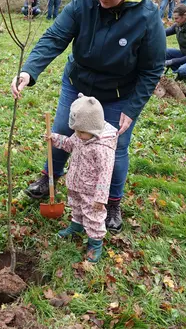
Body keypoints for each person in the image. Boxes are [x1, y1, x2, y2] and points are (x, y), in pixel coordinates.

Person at [11, 0, 165, 233]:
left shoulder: (147, 16)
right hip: (78, 86)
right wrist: (28, 71)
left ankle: (112, 203)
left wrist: (132, 109)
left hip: (119, 95)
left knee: (114, 148)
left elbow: (152, 68)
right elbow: (55, 36)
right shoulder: (84, 1)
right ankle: (49, 179)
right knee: (62, 130)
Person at [52, 94, 117, 263]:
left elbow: (105, 173)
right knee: (75, 206)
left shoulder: (103, 148)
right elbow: (70, 144)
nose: (77, 135)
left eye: (81, 132)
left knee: (93, 216)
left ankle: (95, 242)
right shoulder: (81, 135)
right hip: (75, 183)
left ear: (93, 129)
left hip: (91, 191)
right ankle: (77, 225)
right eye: (76, 131)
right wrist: (55, 139)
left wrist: (101, 197)